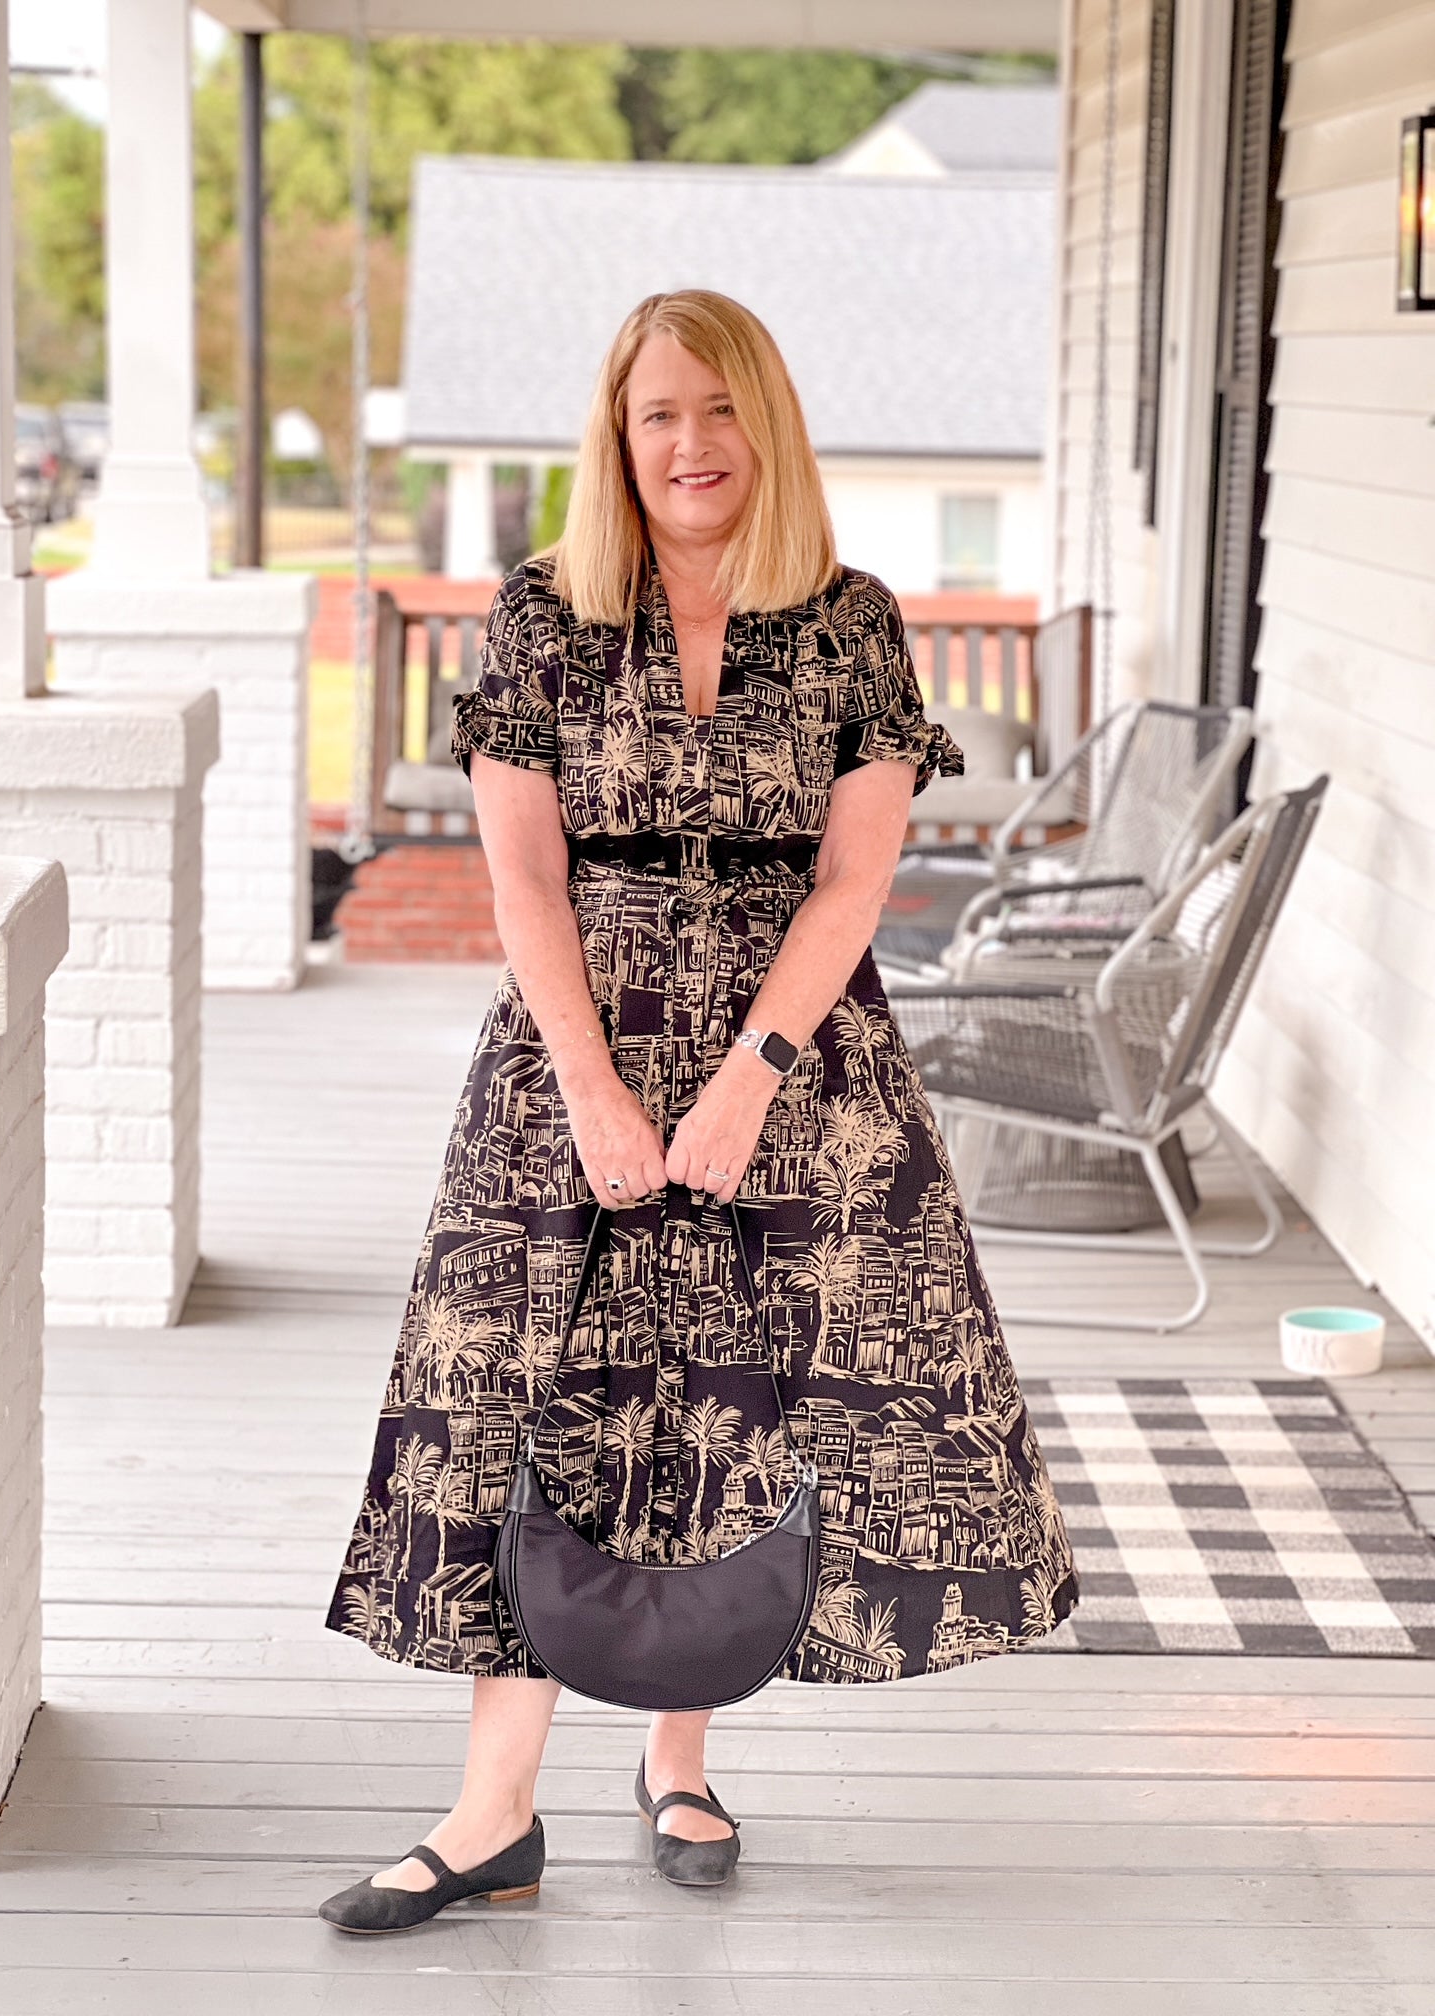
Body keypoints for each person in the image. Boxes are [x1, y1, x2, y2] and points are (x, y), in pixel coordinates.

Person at [318, 289, 1078, 1934]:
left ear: (768, 424)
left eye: (720, 408)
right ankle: (491, 1813)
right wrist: (594, 1090)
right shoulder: (543, 615)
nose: (690, 443)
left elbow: (854, 881)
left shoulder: (852, 622)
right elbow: (523, 880)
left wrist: (749, 1079)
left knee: (741, 1398)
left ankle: (681, 1755)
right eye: (659, 412)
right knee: (532, 1397)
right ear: (618, 434)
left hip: (793, 1066)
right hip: (567, 1060)